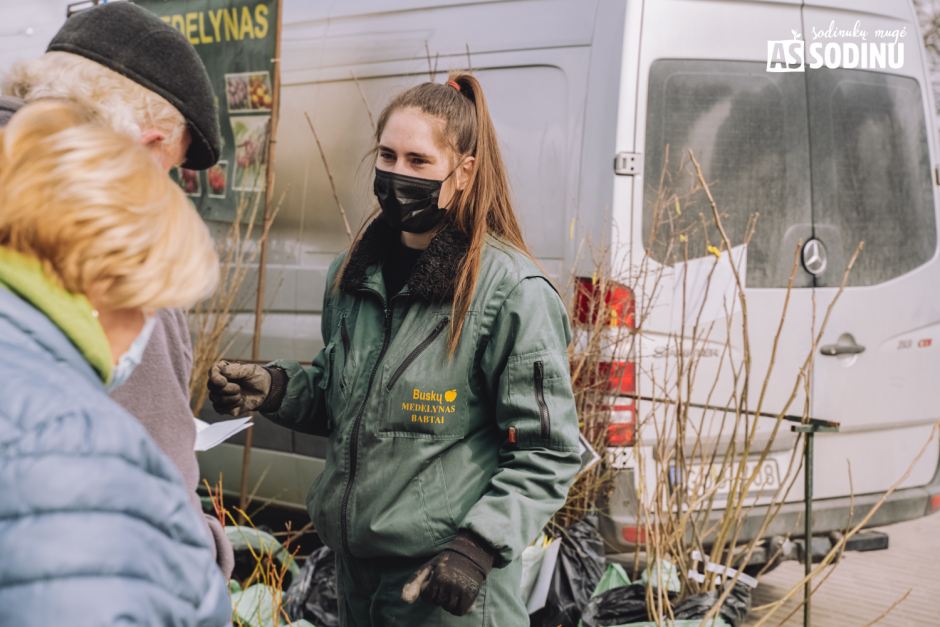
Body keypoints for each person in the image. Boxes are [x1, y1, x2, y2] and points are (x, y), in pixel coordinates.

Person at [208, 75, 582, 625]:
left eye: (418, 160)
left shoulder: (510, 292)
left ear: (464, 172)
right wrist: (278, 387)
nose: (398, 174)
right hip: (357, 579)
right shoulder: (352, 275)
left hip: (449, 588)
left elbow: (547, 451)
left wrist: (476, 547)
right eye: (387, 155)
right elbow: (346, 398)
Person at [2, 2, 234, 578]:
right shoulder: (105, 242)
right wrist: (207, 553)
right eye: (172, 170)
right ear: (144, 146)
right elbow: (155, 481)